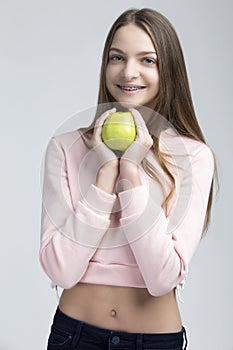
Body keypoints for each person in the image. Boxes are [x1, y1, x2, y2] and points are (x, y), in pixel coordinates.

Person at [39, 8, 218, 350]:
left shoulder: (193, 157)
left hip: (154, 341)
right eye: (117, 57)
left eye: (147, 60)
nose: (128, 71)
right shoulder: (65, 148)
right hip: (74, 337)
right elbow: (60, 270)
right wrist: (105, 173)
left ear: (169, 70)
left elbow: (162, 277)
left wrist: (131, 174)